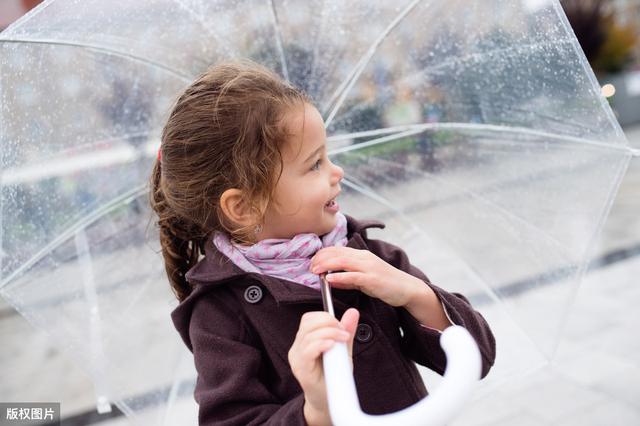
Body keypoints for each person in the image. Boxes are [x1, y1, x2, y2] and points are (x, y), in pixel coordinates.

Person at [149, 59, 496, 426]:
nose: (336, 171)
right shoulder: (219, 314)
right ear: (245, 206)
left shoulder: (364, 254)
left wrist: (416, 295)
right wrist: (315, 410)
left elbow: (480, 355)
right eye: (315, 164)